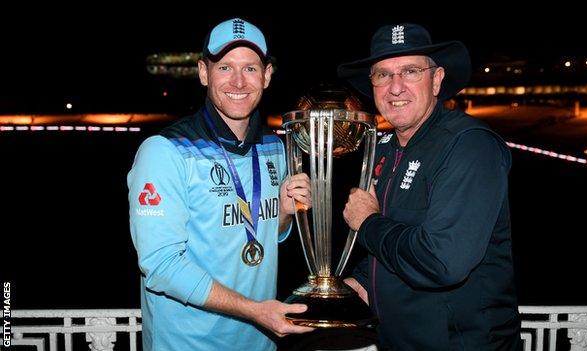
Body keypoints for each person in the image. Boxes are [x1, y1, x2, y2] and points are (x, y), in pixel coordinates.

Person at [127, 18, 314, 351]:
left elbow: (259, 234)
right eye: (225, 67)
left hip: (261, 343)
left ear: (267, 75)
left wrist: (285, 215)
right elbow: (161, 265)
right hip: (188, 345)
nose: (239, 82)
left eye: (251, 69)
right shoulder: (164, 152)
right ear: (203, 73)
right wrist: (255, 311)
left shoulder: (275, 147)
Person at [339, 23, 521, 350]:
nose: (395, 88)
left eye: (410, 71)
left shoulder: (469, 146)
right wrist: (337, 291)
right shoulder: (384, 150)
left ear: (436, 80)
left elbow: (441, 262)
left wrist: (367, 223)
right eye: (383, 74)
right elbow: (387, 254)